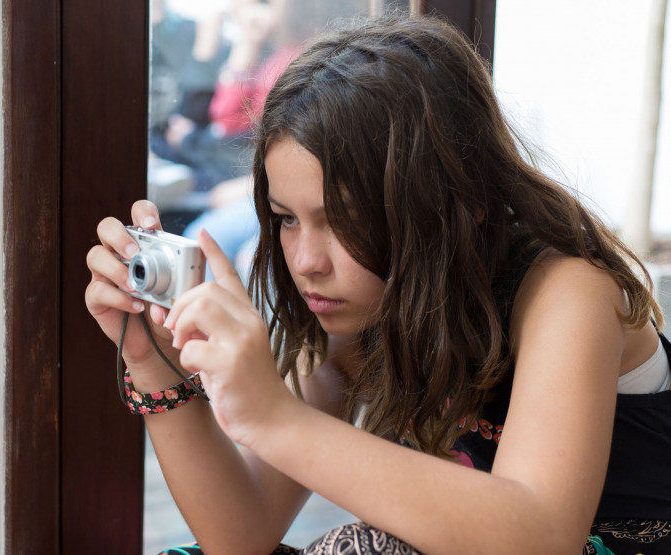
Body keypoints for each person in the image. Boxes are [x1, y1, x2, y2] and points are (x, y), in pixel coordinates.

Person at [86, 14, 671, 555]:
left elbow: (541, 534)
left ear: (448, 203)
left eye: (345, 219)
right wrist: (154, 365)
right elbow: (240, 534)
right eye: (287, 218)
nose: (308, 261)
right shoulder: (358, 316)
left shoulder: (567, 289)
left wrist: (273, 417)